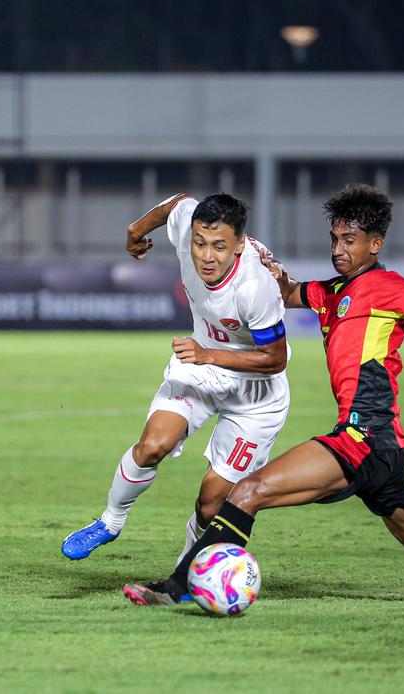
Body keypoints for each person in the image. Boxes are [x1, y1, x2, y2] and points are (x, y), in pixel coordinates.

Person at [123, 183, 404, 607]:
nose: (338, 250)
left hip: (362, 438)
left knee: (247, 491)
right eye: (334, 239)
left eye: (349, 241)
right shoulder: (331, 292)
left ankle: (178, 586)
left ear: (374, 244)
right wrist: (273, 273)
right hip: (387, 450)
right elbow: (285, 294)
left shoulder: (388, 287)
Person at [61, 193, 290, 568]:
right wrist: (136, 230)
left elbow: (275, 360)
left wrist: (207, 354)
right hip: (200, 367)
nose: (206, 256)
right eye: (199, 243)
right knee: (153, 445)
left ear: (239, 246)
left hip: (256, 392)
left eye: (219, 246)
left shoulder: (255, 284)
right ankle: (109, 522)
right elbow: (178, 203)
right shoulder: (189, 226)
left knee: (212, 502)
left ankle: (187, 570)